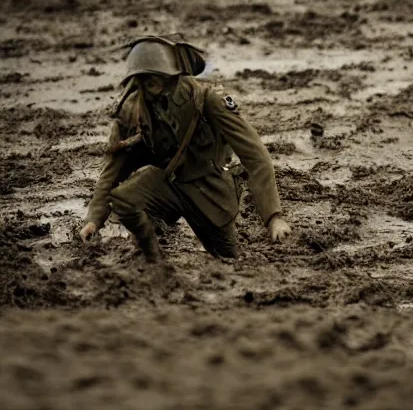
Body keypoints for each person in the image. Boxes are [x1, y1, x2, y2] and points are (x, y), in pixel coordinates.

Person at [79, 35, 291, 261]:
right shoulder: (133, 111)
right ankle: (151, 255)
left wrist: (273, 217)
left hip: (209, 191)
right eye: (142, 80)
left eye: (153, 79)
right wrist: (94, 219)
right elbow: (114, 168)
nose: (147, 86)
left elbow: (255, 156)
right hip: (168, 184)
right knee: (125, 198)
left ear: (170, 76)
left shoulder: (206, 100)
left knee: (229, 258)